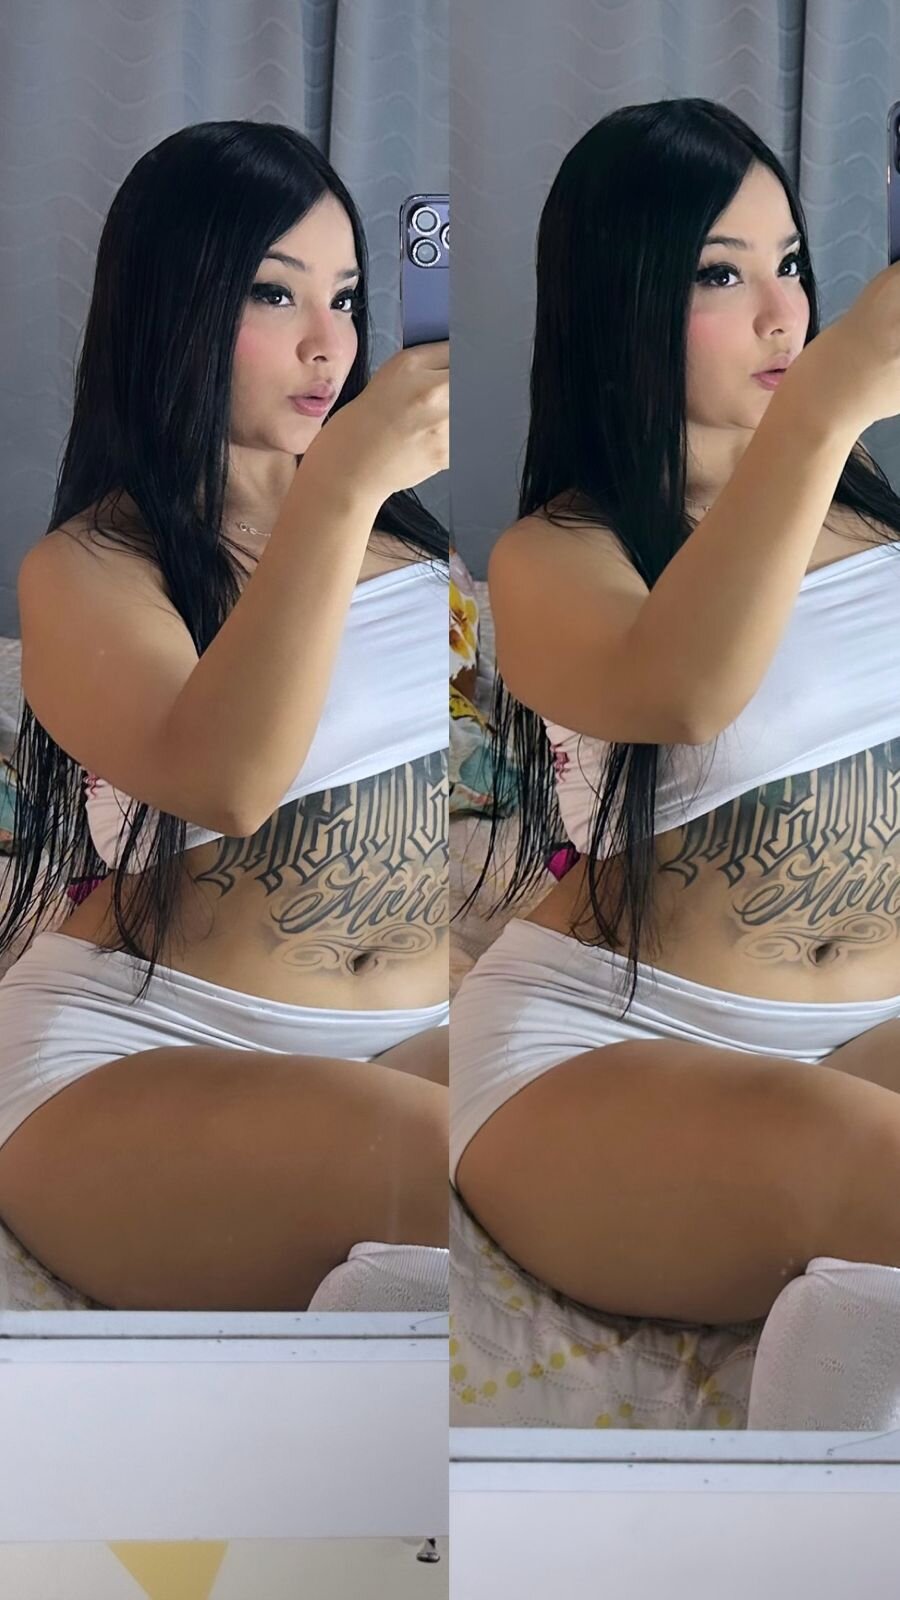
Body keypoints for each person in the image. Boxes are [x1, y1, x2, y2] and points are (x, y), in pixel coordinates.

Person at [450, 97, 900, 1328]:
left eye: (791, 264)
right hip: (617, 1044)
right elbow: (691, 691)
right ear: (622, 299)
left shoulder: (868, 504)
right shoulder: (556, 556)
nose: (782, 314)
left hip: (867, 1023)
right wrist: (828, 403)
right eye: (719, 273)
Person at [0, 121, 450, 1311]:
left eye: (347, 298)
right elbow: (230, 780)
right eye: (274, 292)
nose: (328, 343)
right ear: (176, 305)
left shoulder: (417, 556)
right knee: (443, 1171)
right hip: (149, 1053)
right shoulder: (88, 568)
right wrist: (344, 484)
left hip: (403, 1032)